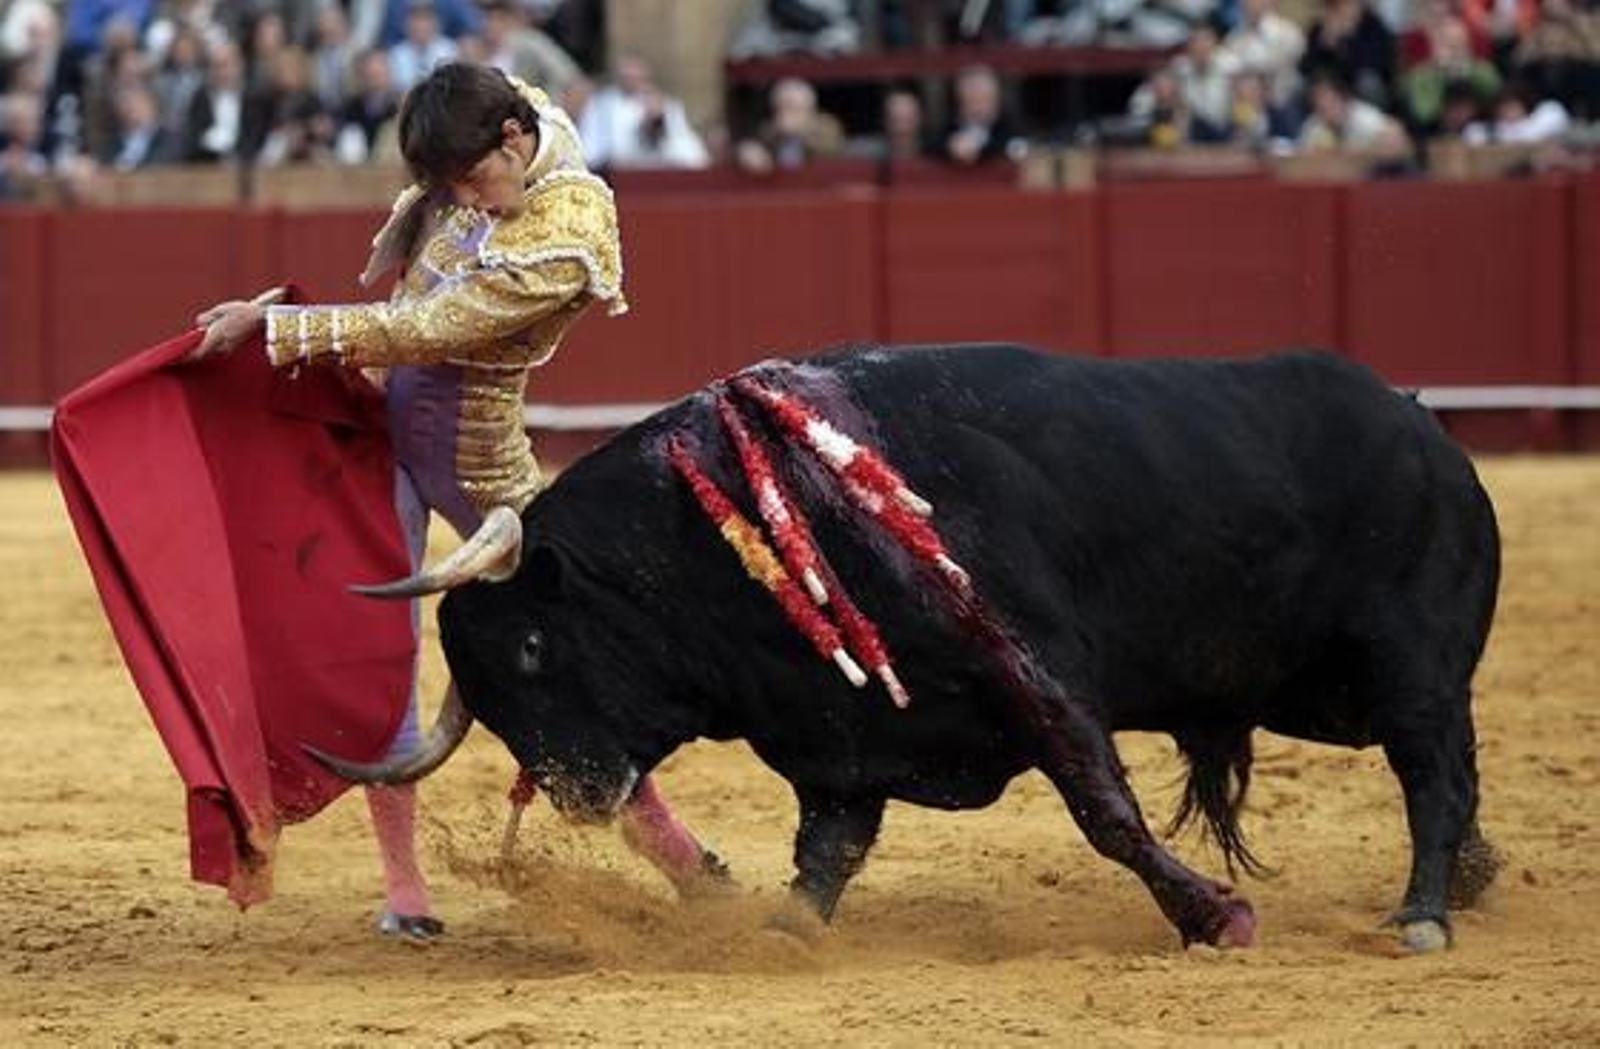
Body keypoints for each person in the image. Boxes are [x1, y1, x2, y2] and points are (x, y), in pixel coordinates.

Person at [189, 62, 721, 942]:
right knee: (377, 656)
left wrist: (279, 327)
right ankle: (405, 887)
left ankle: (673, 848)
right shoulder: (508, 119)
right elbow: (492, 96)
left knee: (563, 659)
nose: (465, 199)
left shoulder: (570, 229)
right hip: (384, 443)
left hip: (483, 470)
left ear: (515, 143)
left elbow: (427, 328)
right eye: (450, 185)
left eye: (473, 180)